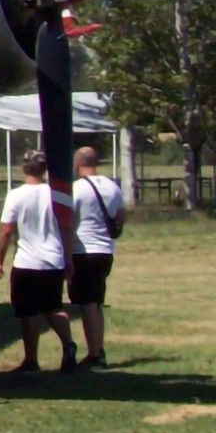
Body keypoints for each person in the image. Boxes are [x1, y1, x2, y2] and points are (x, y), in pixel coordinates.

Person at [0, 151, 77, 373]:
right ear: (45, 169)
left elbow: (6, 230)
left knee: (28, 312)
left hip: (27, 261)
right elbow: (66, 227)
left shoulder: (16, 195)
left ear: (23, 168)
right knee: (54, 306)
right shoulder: (56, 194)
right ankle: (68, 343)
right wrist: (68, 257)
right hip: (53, 259)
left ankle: (31, 359)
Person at [69, 144, 126, 369]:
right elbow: (122, 216)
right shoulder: (112, 186)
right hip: (105, 251)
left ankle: (95, 354)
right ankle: (98, 347)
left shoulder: (77, 189)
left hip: (84, 251)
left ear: (77, 164)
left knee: (87, 304)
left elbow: (66, 219)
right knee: (96, 302)